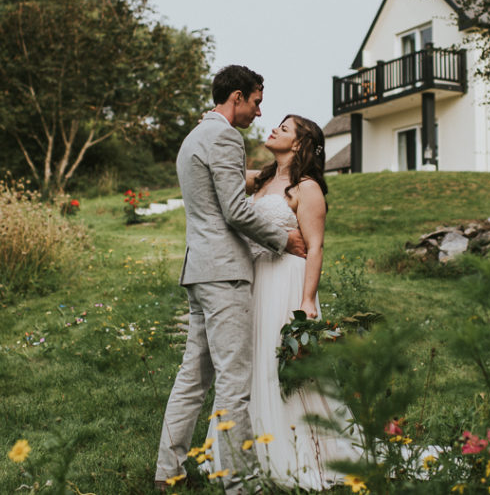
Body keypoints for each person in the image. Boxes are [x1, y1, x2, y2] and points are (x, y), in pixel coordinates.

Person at [154, 66, 307, 495]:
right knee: (234, 384)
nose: (259, 113)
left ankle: (168, 471)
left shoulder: (193, 138)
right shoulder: (225, 137)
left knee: (192, 378)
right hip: (224, 274)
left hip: (199, 269)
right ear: (237, 97)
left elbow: (221, 192)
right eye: (256, 102)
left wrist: (260, 178)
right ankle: (242, 484)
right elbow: (235, 212)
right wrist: (283, 239)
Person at [207, 114, 360, 489]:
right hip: (256, 279)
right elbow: (218, 171)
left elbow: (316, 247)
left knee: (284, 366)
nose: (274, 129)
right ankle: (243, 451)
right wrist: (210, 127)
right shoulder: (262, 178)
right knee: (251, 360)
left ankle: (298, 450)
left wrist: (307, 301)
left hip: (287, 282)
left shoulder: (306, 188)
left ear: (298, 143)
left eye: (284, 128)